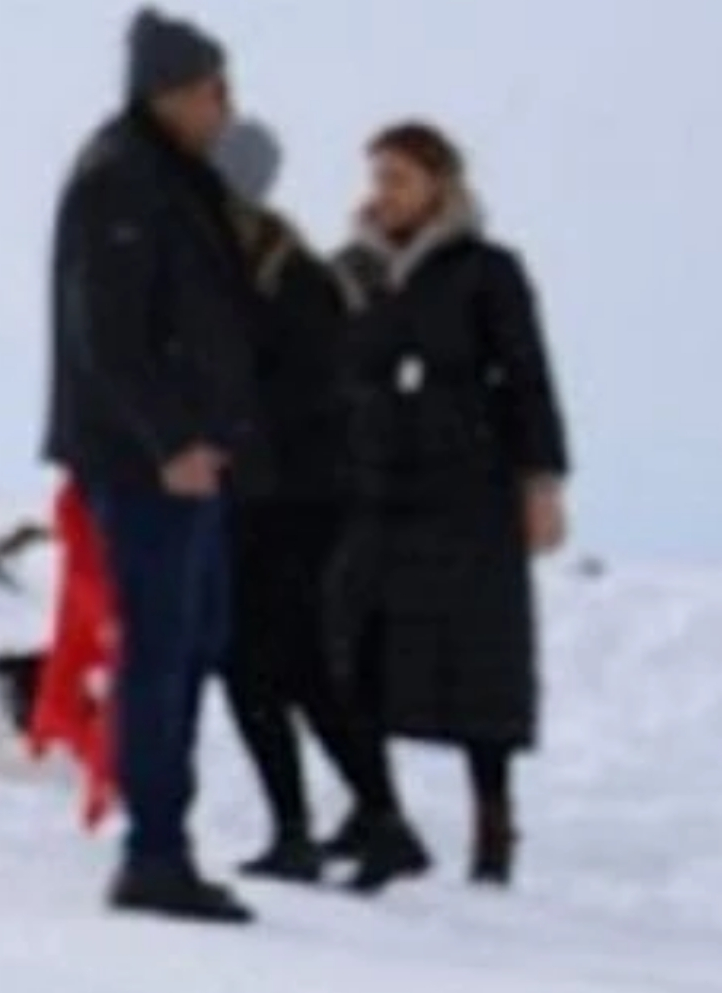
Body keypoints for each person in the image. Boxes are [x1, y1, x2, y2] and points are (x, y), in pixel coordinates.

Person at [44, 7, 260, 921]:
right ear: (175, 91)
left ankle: (166, 837)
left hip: (187, 461)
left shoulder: (172, 177)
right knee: (162, 648)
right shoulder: (124, 181)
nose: (227, 107)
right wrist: (168, 440)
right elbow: (112, 334)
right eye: (216, 89)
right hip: (145, 466)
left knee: (194, 639)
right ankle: (155, 848)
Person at [329, 119, 574, 887]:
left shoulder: (486, 271)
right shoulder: (349, 273)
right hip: (367, 482)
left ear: (440, 183)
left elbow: (528, 377)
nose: (383, 193)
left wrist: (541, 483)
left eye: (399, 177)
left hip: (467, 485)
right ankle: (377, 814)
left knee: (479, 659)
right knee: (349, 642)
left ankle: (493, 827)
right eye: (376, 177)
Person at [207, 117, 415, 884]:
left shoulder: (268, 273)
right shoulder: (278, 263)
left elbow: (285, 389)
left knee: (264, 662)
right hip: (294, 491)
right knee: (288, 663)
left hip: (283, 495)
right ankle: (362, 817)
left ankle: (322, 825)